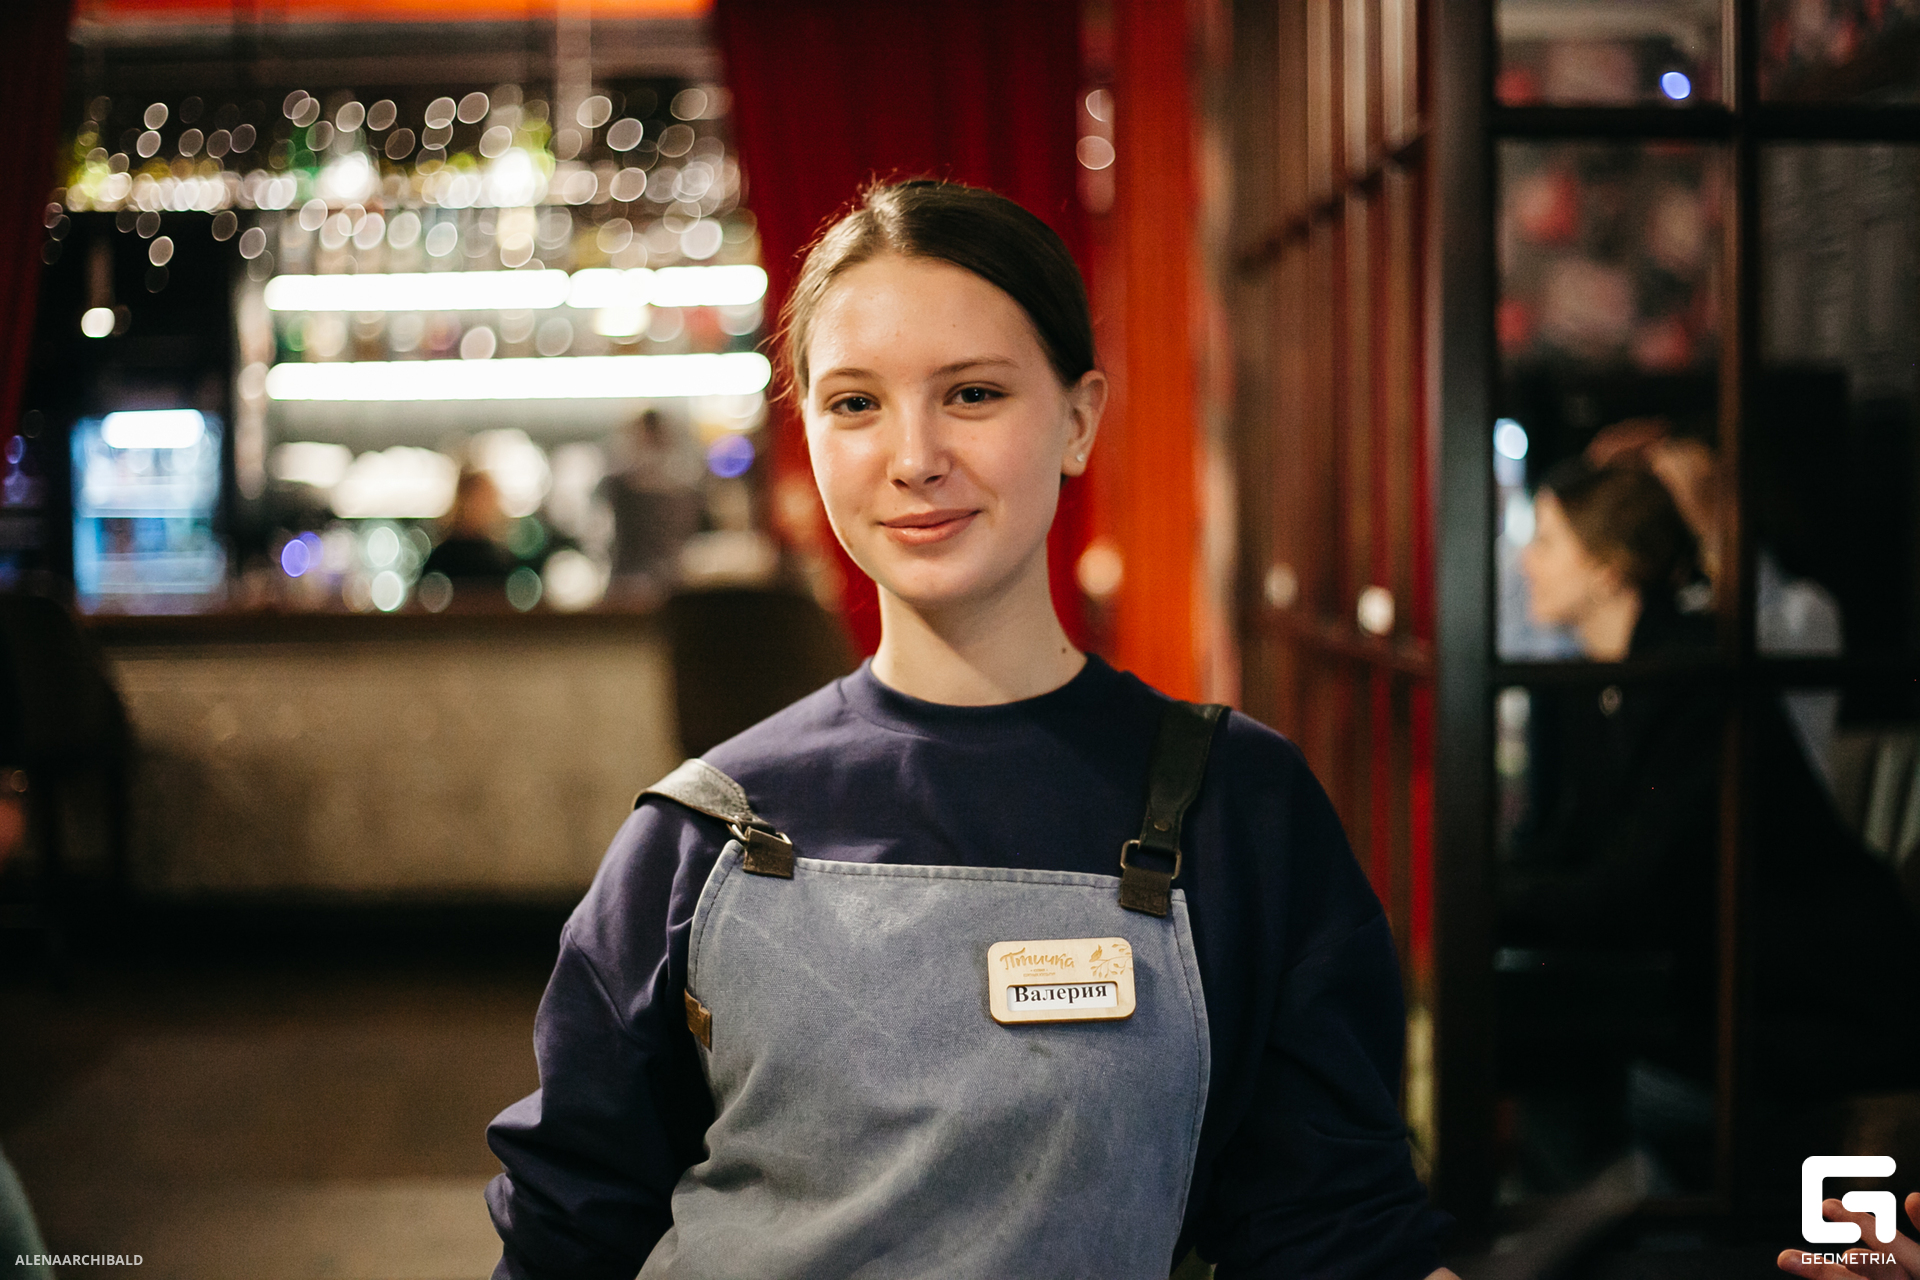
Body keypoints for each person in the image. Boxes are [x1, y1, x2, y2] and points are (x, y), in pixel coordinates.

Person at [484, 180, 1453, 1279]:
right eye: (856, 403)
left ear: (1079, 419)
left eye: (973, 393)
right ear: (808, 437)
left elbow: (1337, 1230)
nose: (914, 456)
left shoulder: (1234, 806)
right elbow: (569, 1230)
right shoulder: (703, 833)